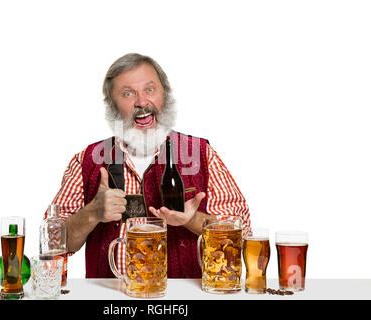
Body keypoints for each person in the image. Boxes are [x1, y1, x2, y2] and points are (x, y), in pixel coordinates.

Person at [49, 53, 251, 278]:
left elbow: (243, 237)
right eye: (128, 94)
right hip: (110, 300)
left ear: (165, 94)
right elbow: (53, 243)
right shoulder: (87, 160)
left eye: (150, 90)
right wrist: (91, 214)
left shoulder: (202, 154)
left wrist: (192, 220)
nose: (142, 102)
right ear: (112, 105)